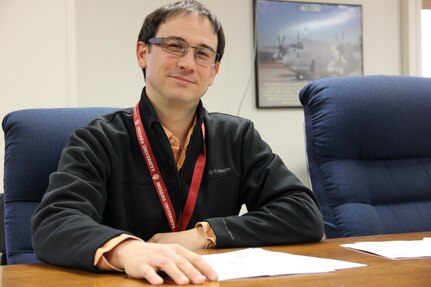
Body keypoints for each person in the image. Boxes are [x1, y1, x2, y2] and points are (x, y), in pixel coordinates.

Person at [31, 0, 324, 285]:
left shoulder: (237, 137)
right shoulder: (97, 140)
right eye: (174, 46)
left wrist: (204, 234)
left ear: (214, 72)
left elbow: (303, 213)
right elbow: (54, 221)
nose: (187, 63)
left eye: (203, 53)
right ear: (143, 54)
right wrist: (127, 250)